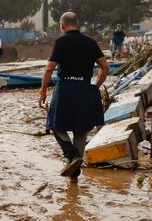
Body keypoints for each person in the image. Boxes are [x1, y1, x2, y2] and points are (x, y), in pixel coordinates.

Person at [39, 12, 109, 182]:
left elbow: (49, 69)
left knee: (54, 124)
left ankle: (71, 155)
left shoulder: (61, 42)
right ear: (77, 25)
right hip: (85, 88)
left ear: (62, 26)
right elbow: (105, 67)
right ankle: (74, 176)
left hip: (65, 89)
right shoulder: (91, 43)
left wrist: (43, 91)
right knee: (81, 130)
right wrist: (95, 86)